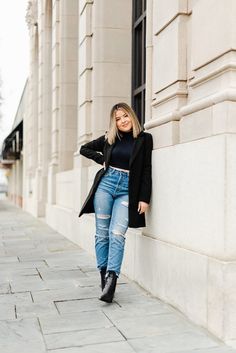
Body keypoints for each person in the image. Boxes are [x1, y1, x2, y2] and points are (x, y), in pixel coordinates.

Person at [79, 102, 153, 303]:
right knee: (102, 234)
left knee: (117, 233)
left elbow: (146, 169)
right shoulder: (110, 139)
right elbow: (84, 148)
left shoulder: (145, 139)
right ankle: (104, 280)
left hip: (128, 190)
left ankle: (112, 278)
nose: (122, 121)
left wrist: (144, 198)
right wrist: (101, 159)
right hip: (106, 185)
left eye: (125, 116)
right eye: (118, 119)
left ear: (132, 116)